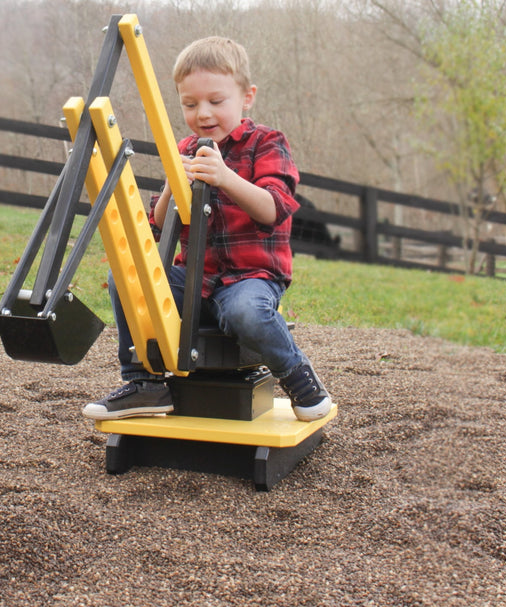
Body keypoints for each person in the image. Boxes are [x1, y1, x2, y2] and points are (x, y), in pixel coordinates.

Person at [83, 36, 331, 423]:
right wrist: (170, 185)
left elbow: (274, 209)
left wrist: (226, 177)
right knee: (128, 278)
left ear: (246, 97)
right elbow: (160, 227)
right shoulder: (182, 148)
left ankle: (297, 375)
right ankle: (144, 383)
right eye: (190, 103)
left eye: (216, 101)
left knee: (248, 313)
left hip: (252, 277)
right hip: (197, 278)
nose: (203, 113)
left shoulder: (266, 143)